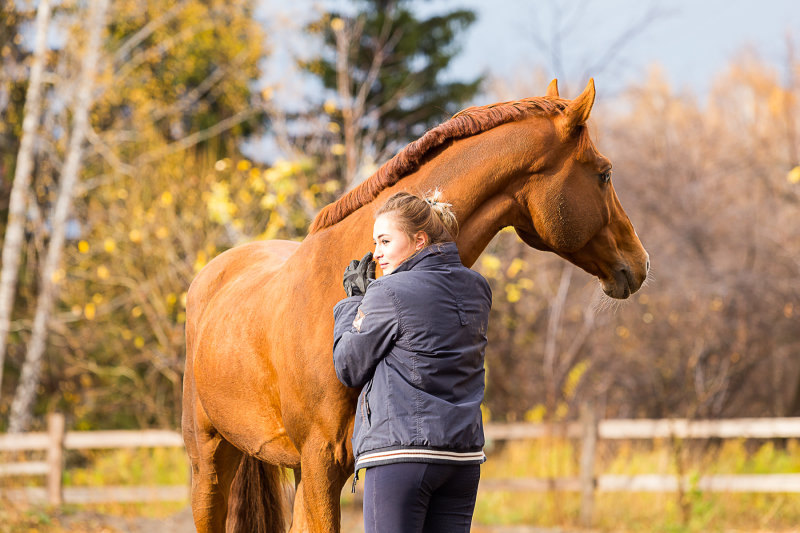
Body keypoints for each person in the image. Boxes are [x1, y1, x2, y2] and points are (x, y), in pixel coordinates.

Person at [332, 191, 492, 533]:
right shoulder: (478, 287)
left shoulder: (388, 292)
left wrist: (354, 303)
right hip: (462, 458)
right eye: (376, 242)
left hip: (401, 456)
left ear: (419, 240)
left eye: (385, 241)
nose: (376, 253)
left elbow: (348, 366)